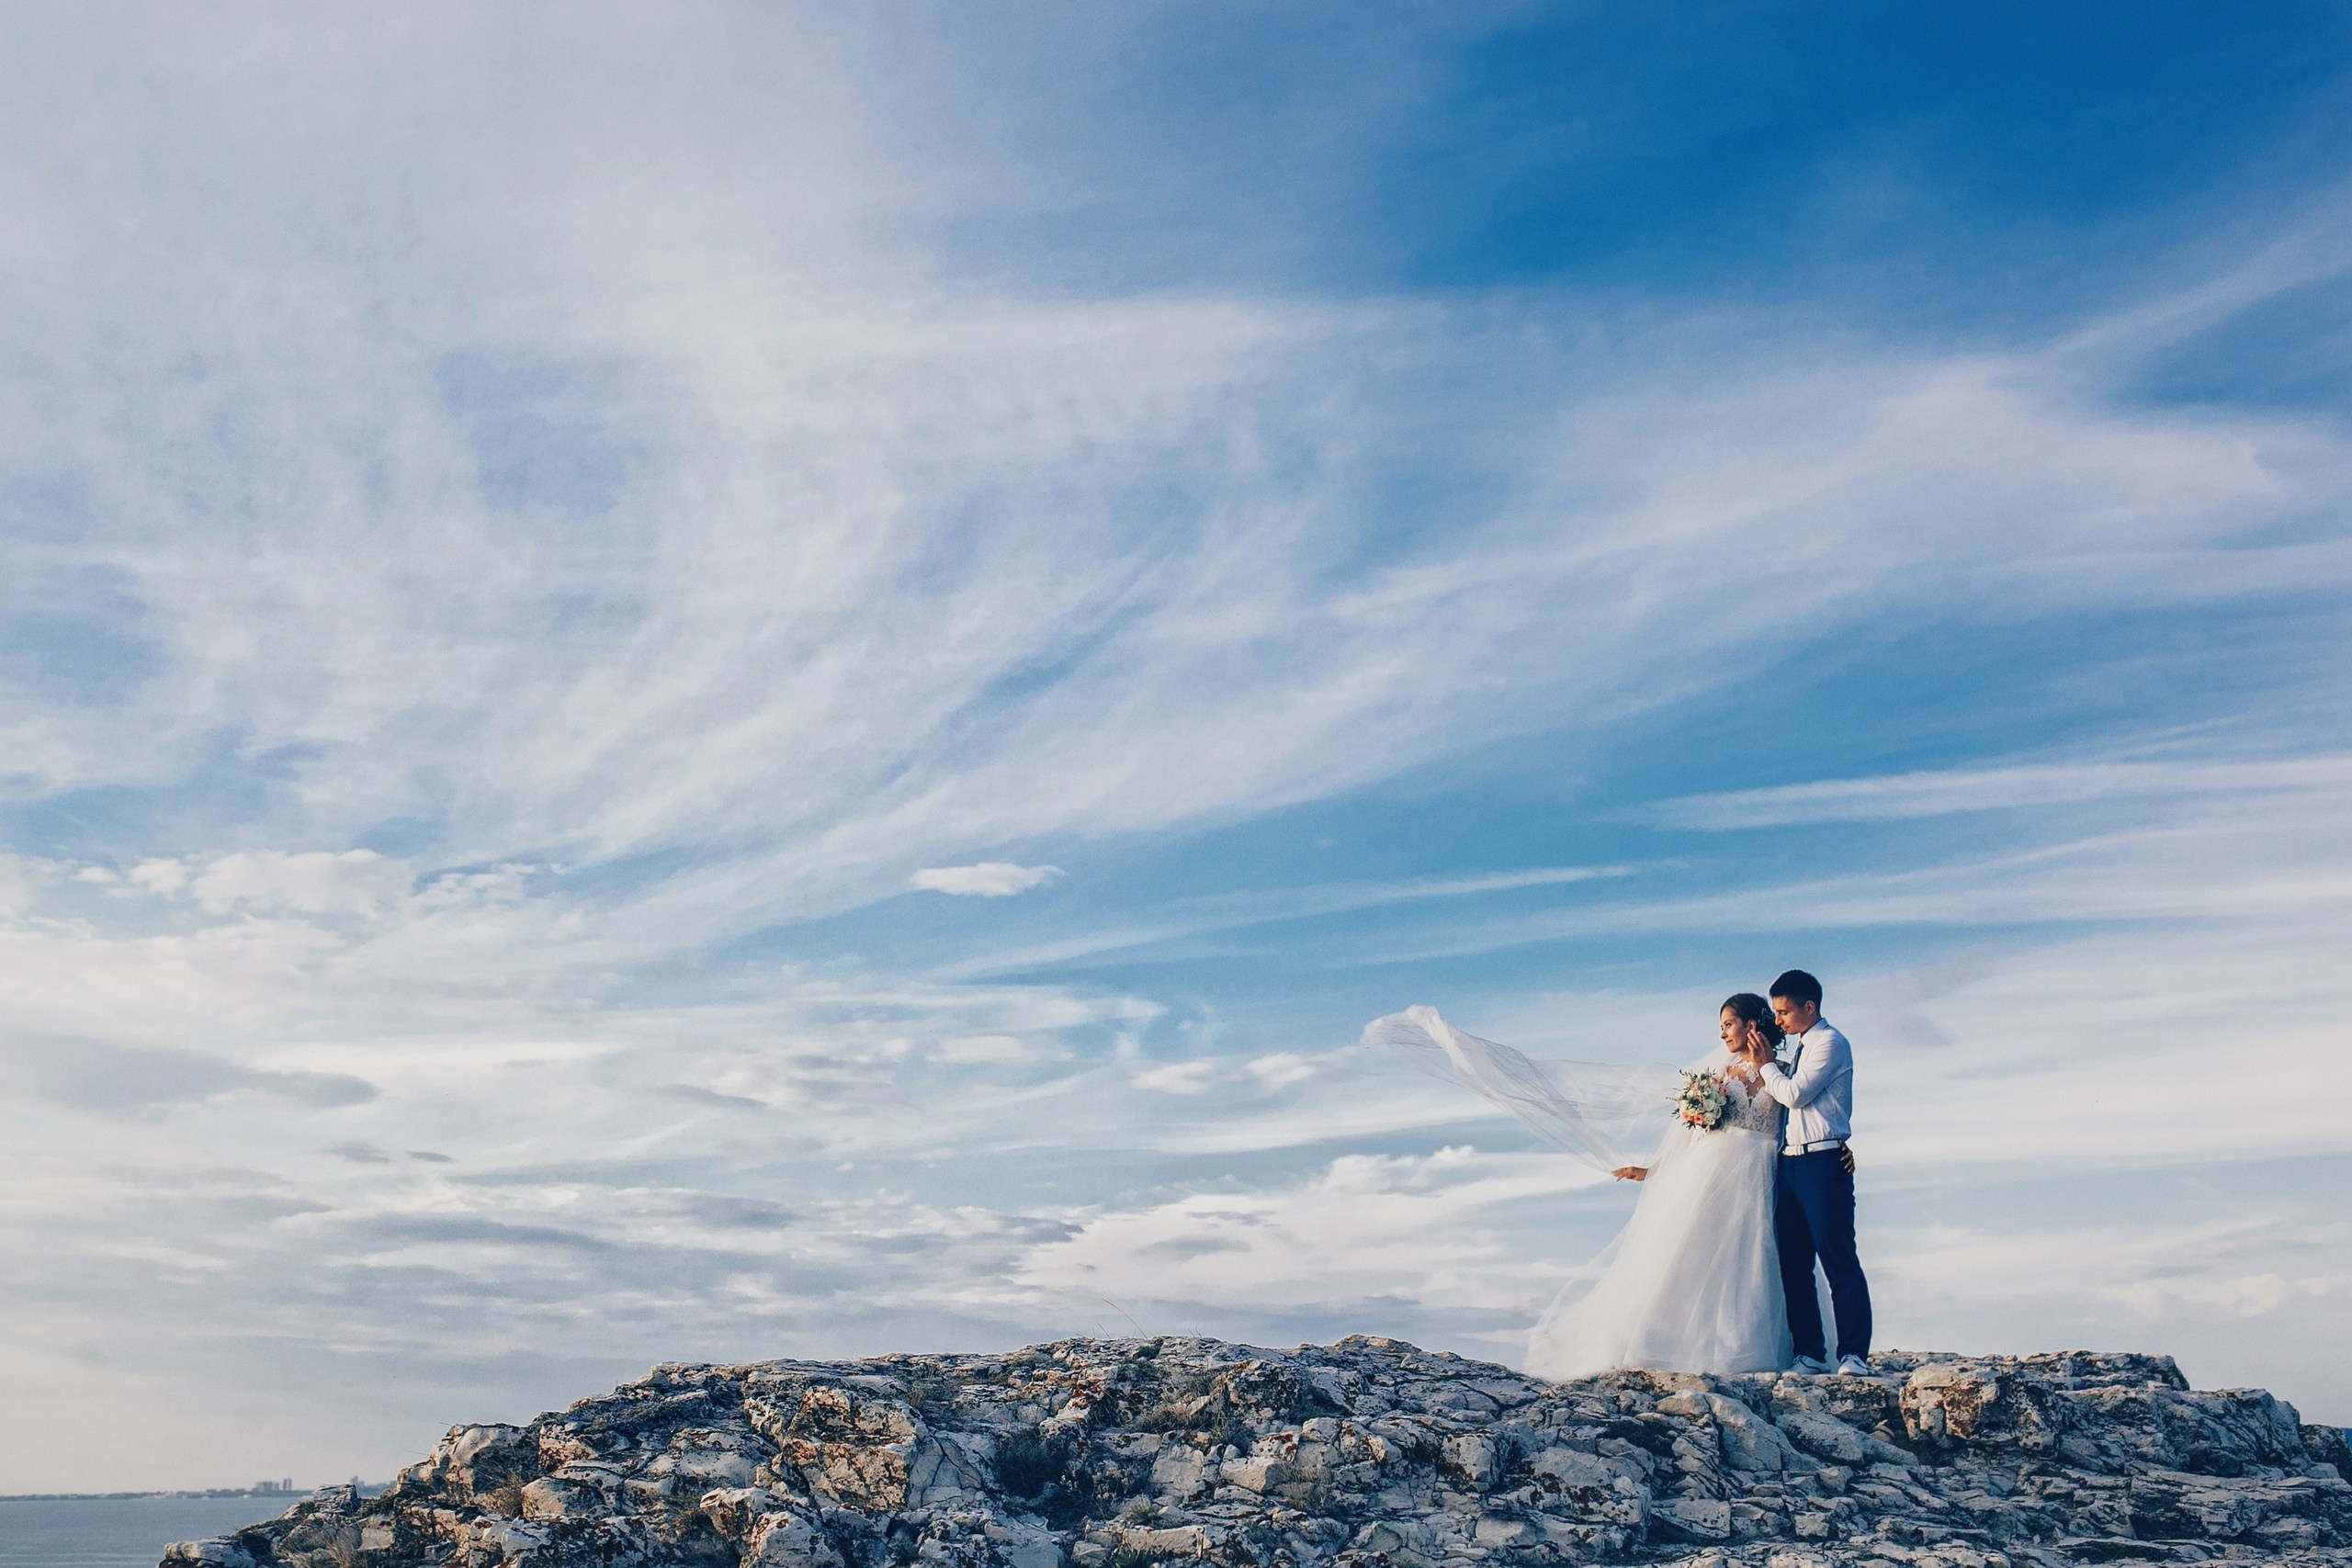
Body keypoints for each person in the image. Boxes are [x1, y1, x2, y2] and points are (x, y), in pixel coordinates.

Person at [1363, 995, 1794, 1381]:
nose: (1722, 1033)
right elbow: (1692, 1135)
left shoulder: (1786, 1073)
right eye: (1720, 1025)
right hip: (1709, 1175)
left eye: (1729, 1023)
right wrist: (1654, 1170)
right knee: (1697, 1254)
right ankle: (1672, 1345)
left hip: (1760, 1173)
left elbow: (1805, 1118)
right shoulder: (1716, 1073)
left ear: (1754, 1024)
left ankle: (1748, 1349)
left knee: (1755, 1256)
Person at [1757, 968, 1872, 1376]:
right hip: (1789, 1162)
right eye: (1775, 1013)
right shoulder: (1803, 1049)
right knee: (1795, 1263)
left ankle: (1853, 1354)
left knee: (1837, 1258)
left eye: (1785, 1012)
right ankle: (1809, 1352)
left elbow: (1795, 1094)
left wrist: (1766, 1065)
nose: (1779, 1021)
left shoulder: (1831, 1043)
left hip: (1823, 1162)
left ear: (1810, 1007)